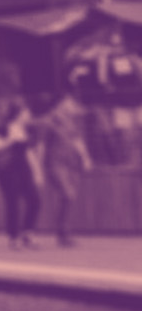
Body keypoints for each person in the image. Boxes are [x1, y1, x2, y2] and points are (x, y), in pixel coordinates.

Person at [36, 93, 93, 247]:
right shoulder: (47, 122)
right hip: (55, 164)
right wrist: (39, 168)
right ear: (60, 104)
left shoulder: (70, 122)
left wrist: (85, 157)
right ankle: (63, 232)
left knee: (70, 197)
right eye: (68, 102)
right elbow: (40, 146)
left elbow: (77, 139)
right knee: (68, 194)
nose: (71, 105)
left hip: (71, 163)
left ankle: (63, 233)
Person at [0, 98, 45, 249]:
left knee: (34, 199)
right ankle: (13, 237)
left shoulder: (26, 130)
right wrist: (10, 141)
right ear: (18, 113)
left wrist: (37, 172)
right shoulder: (3, 128)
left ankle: (28, 232)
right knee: (12, 202)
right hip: (8, 170)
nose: (29, 114)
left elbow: (28, 153)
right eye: (26, 112)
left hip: (23, 168)